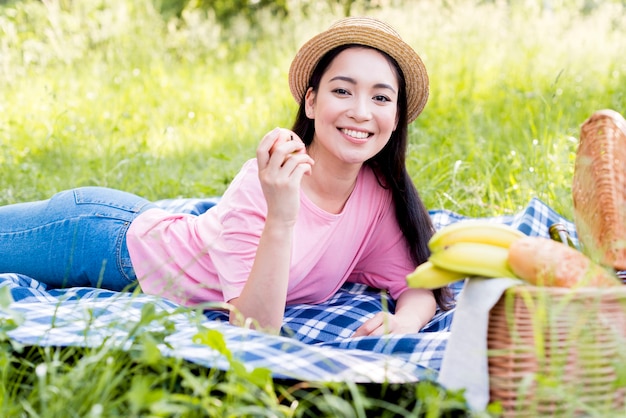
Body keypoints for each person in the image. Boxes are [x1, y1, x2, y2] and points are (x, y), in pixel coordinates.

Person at [0, 17, 451, 335]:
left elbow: (417, 284)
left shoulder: (376, 195)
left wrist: (404, 322)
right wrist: (282, 215)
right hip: (102, 240)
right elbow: (256, 329)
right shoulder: (267, 181)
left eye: (380, 97)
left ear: (395, 118)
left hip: (137, 234)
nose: (359, 111)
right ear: (312, 103)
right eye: (342, 90)